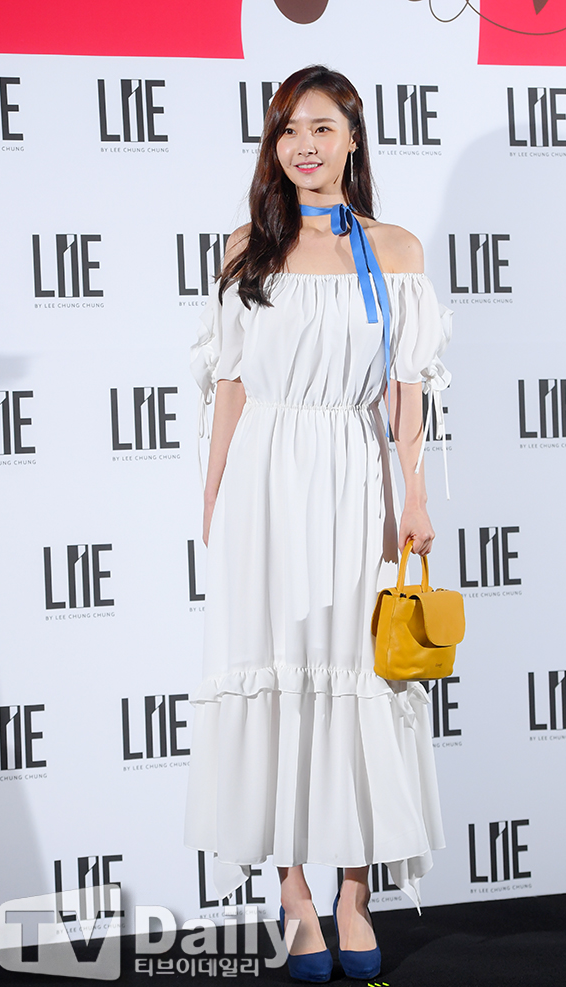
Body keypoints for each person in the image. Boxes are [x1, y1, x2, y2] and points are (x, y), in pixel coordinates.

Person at [185, 64, 451, 983]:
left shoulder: (396, 251)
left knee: (357, 672)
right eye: (290, 129)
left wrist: (414, 495)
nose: (305, 145)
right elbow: (229, 387)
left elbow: (407, 394)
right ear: (274, 143)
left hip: (354, 475)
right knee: (281, 671)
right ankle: (294, 894)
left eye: (323, 128)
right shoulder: (245, 250)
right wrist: (214, 497)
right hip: (264, 484)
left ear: (353, 139)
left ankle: (354, 892)